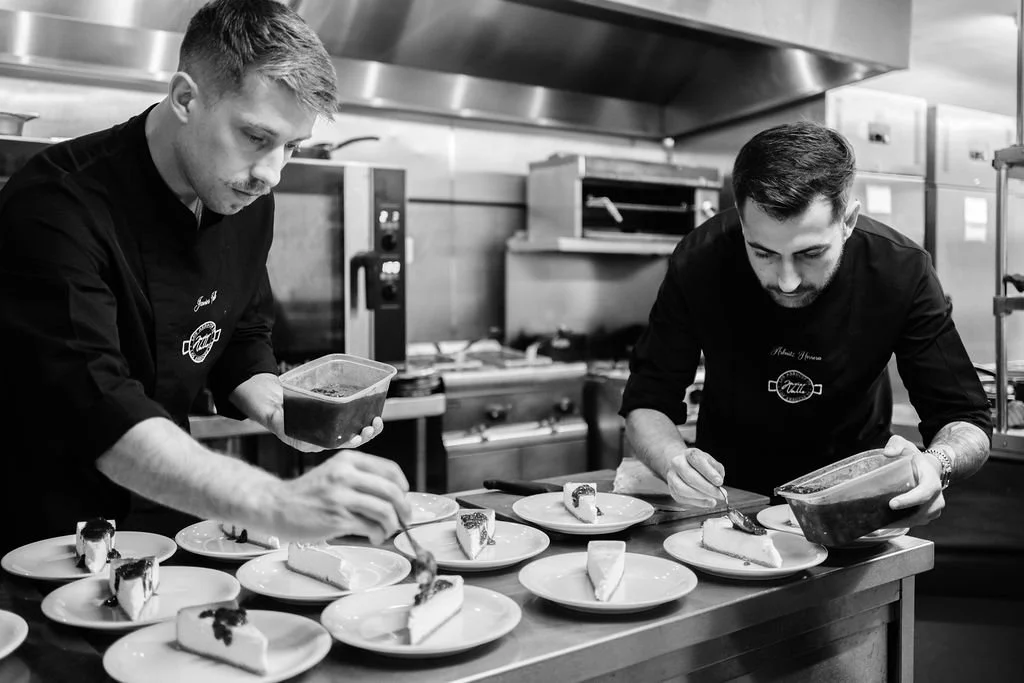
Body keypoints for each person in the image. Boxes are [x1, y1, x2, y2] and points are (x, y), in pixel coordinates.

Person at [0, 0, 410, 555]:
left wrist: (284, 408)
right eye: (256, 137)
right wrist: (276, 501)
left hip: (170, 523)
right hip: (46, 534)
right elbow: (96, 403)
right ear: (186, 98)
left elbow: (240, 331)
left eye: (291, 147)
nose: (271, 174)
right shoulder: (56, 205)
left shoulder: (243, 195)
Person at [621, 121, 992, 529]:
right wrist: (673, 459)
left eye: (810, 253)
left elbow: (964, 418)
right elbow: (648, 400)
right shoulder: (699, 259)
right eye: (763, 253)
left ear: (848, 220)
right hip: (729, 507)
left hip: (856, 510)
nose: (787, 281)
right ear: (742, 223)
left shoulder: (900, 269)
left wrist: (936, 464)